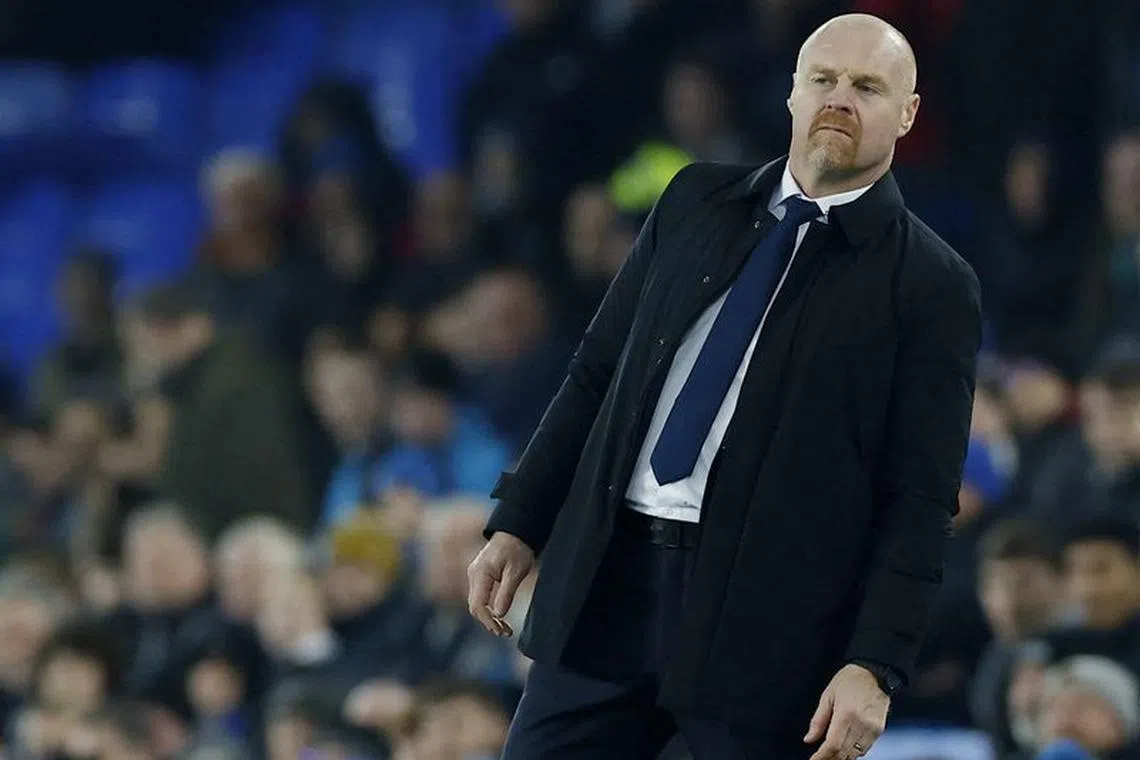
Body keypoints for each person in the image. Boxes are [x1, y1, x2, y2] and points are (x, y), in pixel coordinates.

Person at [466, 12, 982, 760]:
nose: (840, 97)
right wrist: (519, 519)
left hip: (767, 627)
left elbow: (921, 499)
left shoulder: (932, 284)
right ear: (792, 95)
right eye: (824, 79)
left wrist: (874, 665)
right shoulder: (692, 201)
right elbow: (597, 374)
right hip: (609, 584)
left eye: (868, 86)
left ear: (906, 114)